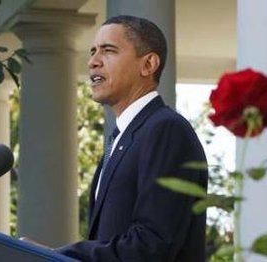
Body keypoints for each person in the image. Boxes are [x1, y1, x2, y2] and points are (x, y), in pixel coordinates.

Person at [57, 15, 208, 261]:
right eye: (92, 51)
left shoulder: (165, 130)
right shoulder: (120, 138)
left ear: (148, 64)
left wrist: (60, 255)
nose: (93, 62)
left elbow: (153, 243)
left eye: (108, 51)